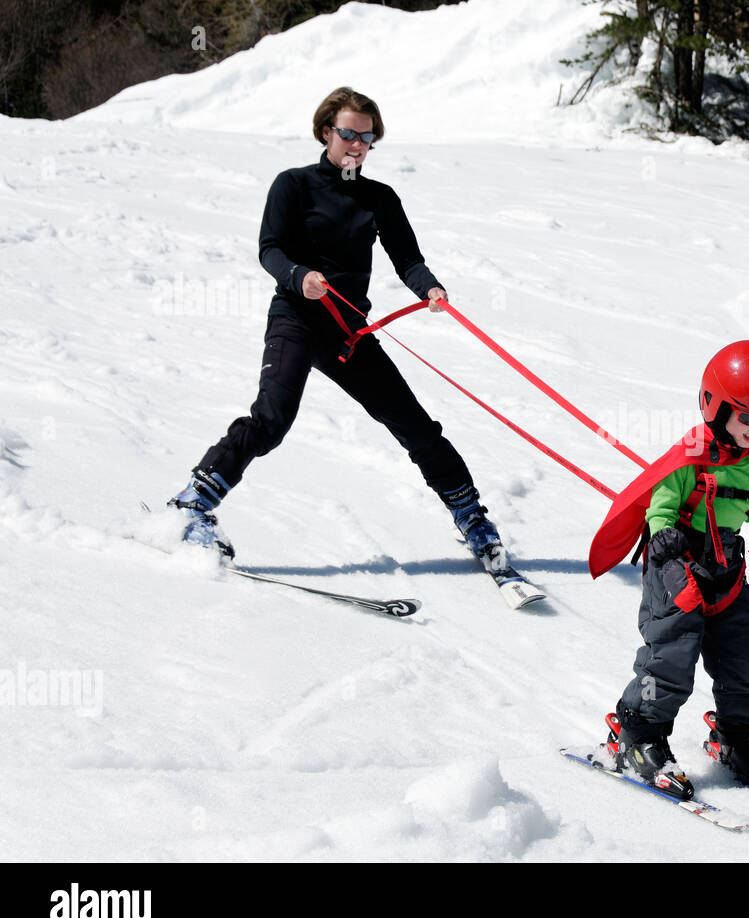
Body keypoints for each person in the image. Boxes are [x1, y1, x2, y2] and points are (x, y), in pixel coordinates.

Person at [167, 87, 506, 568]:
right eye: (348, 133)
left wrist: (429, 287)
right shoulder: (294, 184)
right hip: (297, 319)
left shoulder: (380, 199)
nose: (357, 144)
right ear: (327, 131)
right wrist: (298, 276)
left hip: (349, 334)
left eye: (367, 138)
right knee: (271, 420)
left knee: (416, 428)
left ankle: (472, 518)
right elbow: (270, 249)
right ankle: (192, 503)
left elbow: (407, 258)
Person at [587, 340, 749, 800]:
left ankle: (742, 740)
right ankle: (637, 736)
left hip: (728, 573)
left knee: (748, 658)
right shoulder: (690, 455)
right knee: (671, 657)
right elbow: (660, 510)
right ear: (716, 405)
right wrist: (665, 553)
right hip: (678, 571)